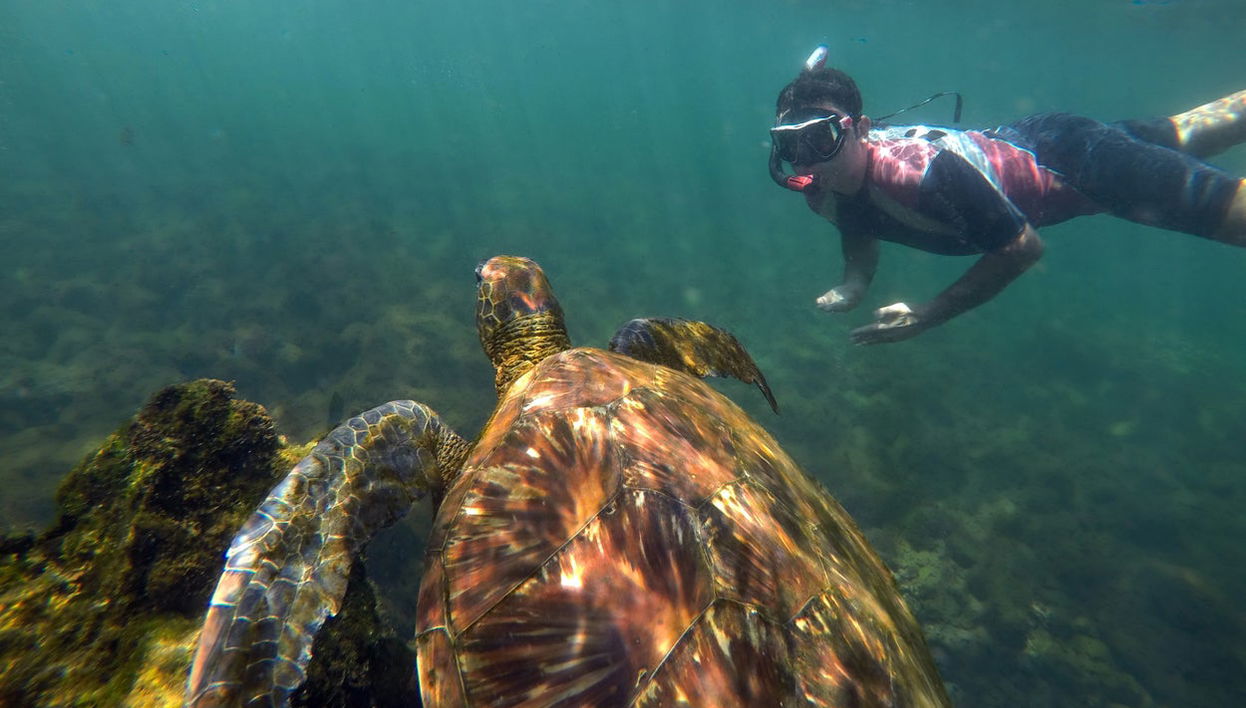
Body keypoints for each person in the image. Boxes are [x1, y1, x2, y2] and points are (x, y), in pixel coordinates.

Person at [770, 46, 1246, 345]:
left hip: (1071, 160)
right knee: (1195, 131)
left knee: (1229, 212)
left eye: (821, 139)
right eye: (790, 146)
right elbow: (857, 223)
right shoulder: (821, 192)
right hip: (1035, 140)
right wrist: (855, 282)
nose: (806, 162)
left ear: (861, 130)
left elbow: (1021, 248)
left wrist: (929, 314)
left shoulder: (918, 175)